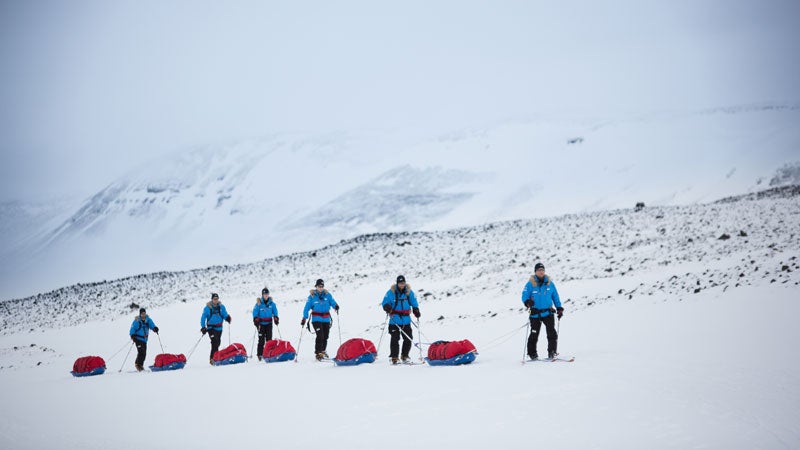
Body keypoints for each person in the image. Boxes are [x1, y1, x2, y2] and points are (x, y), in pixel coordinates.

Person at [521, 262, 564, 360]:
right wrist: (527, 302)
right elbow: (524, 295)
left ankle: (552, 352)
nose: (541, 272)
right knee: (534, 334)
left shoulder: (550, 283)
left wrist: (559, 308)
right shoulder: (530, 284)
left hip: (548, 312)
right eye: (539, 270)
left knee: (552, 333)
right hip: (535, 314)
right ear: (535, 272)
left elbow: (555, 296)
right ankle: (532, 354)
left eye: (543, 270)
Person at [381, 275, 420, 364]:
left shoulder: (409, 292)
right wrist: (386, 307)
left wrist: (416, 309)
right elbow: (385, 302)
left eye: (403, 283)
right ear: (397, 283)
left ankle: (405, 356)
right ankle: (394, 357)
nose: (402, 285)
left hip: (406, 320)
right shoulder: (391, 292)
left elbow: (414, 302)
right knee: (395, 338)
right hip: (394, 319)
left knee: (408, 338)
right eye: (400, 283)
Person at [301, 279, 339, 361]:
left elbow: (332, 302)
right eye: (319, 286)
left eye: (322, 286)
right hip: (316, 319)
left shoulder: (327, 295)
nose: (321, 288)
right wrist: (304, 317)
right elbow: (306, 308)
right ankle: (318, 353)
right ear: (316, 287)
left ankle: (323, 351)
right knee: (320, 335)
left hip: (326, 319)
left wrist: (336, 306)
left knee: (326, 336)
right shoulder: (312, 296)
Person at [200, 293, 231, 365]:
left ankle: (215, 358)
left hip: (219, 328)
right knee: (214, 342)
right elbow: (203, 317)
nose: (216, 300)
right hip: (211, 328)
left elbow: (224, 314)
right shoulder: (207, 308)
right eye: (214, 299)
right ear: (212, 299)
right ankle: (213, 359)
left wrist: (227, 318)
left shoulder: (221, 307)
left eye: (217, 299)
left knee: (218, 343)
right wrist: (203, 327)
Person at [253, 287, 279, 361]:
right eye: (264, 294)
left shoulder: (272, 304)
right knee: (261, 340)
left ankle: (268, 353)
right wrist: (255, 318)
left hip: (269, 324)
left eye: (267, 294)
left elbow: (275, 311)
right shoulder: (258, 304)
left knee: (269, 340)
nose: (266, 295)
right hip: (261, 324)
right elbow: (255, 312)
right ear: (262, 295)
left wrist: (276, 317)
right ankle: (260, 354)